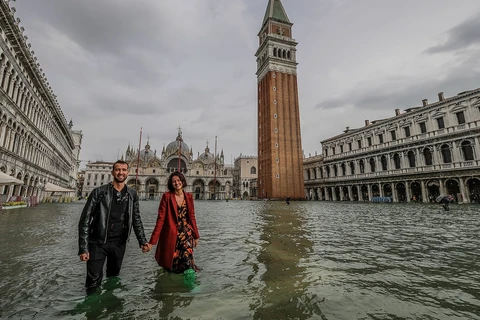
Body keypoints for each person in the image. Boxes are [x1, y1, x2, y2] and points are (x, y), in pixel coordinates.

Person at [78, 160, 151, 292]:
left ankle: (110, 306)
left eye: (123, 170)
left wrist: (142, 241)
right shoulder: (99, 192)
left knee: (113, 277)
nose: (121, 172)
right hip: (98, 242)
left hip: (119, 243)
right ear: (112, 172)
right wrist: (83, 247)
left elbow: (136, 219)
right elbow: (85, 220)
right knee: (93, 282)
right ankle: (92, 309)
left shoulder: (132, 194)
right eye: (118, 170)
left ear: (128, 173)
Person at [147, 172, 200, 274]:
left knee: (188, 261)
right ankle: (173, 288)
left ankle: (192, 286)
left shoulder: (188, 196)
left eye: (179, 180)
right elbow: (160, 220)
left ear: (183, 181)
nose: (177, 183)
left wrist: (196, 235)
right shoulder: (166, 196)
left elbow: (192, 217)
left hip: (186, 235)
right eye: (174, 181)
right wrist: (152, 242)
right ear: (171, 184)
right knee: (172, 264)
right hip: (171, 235)